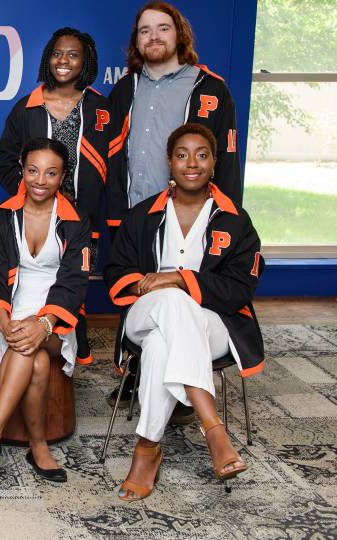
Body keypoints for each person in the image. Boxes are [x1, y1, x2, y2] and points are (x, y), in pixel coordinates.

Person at [105, 124, 264, 501]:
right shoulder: (142, 215)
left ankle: (147, 448)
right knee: (172, 306)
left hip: (214, 322)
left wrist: (177, 278)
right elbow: (116, 273)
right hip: (146, 314)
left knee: (163, 343)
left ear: (213, 162)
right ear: (169, 162)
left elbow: (241, 287)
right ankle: (213, 428)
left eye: (201, 155)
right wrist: (156, 285)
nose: (191, 163)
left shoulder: (236, 221)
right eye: (182, 155)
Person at [105, 1, 242, 418]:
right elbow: (110, 155)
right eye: (145, 31)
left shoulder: (210, 89)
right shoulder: (125, 88)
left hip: (190, 212)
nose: (154, 37)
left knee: (185, 290)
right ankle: (141, 368)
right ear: (137, 41)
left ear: (178, 34)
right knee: (141, 289)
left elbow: (227, 158)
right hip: (135, 214)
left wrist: (228, 215)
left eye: (162, 28)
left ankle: (179, 379)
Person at [0, 138, 91, 483]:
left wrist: (44, 322)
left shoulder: (77, 221)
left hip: (58, 317)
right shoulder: (0, 217)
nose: (40, 180)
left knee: (34, 345)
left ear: (62, 176)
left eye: (51, 173)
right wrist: (4, 320)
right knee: (34, 359)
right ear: (22, 171)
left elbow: (75, 282)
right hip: (11, 312)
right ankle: (39, 446)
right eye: (33, 171)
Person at [0, 26, 108, 366]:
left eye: (73, 54)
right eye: (58, 53)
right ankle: (33, 345)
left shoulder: (101, 109)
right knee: (31, 278)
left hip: (79, 218)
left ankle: (65, 355)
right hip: (38, 216)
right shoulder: (27, 108)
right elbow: (4, 160)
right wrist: (34, 194)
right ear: (48, 58)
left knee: (72, 282)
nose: (64, 60)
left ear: (85, 61)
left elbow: (114, 165)